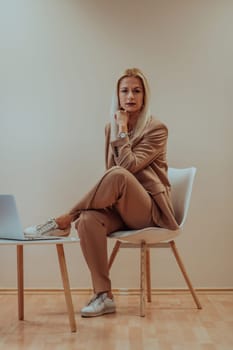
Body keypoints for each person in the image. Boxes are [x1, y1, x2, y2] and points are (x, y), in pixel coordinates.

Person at [24, 68, 179, 317]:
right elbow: (111, 173)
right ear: (117, 95)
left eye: (136, 91)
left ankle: (63, 219)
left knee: (119, 175)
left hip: (149, 211)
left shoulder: (156, 128)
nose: (130, 96)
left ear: (145, 95)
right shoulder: (111, 127)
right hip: (122, 206)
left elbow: (126, 168)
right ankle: (103, 295)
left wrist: (122, 130)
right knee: (87, 220)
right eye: (125, 90)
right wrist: (118, 128)